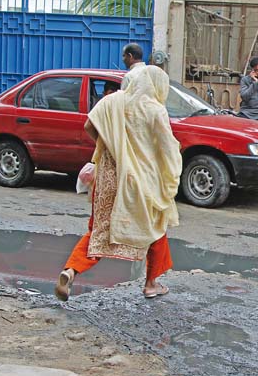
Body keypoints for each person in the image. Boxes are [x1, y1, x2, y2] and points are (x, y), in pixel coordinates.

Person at [55, 65, 183, 301]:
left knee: (100, 230)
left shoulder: (111, 101)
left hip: (108, 176)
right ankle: (151, 284)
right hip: (142, 180)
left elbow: (89, 126)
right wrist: (171, 177)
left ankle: (70, 270)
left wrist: (111, 147)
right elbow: (168, 148)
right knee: (155, 228)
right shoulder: (155, 110)